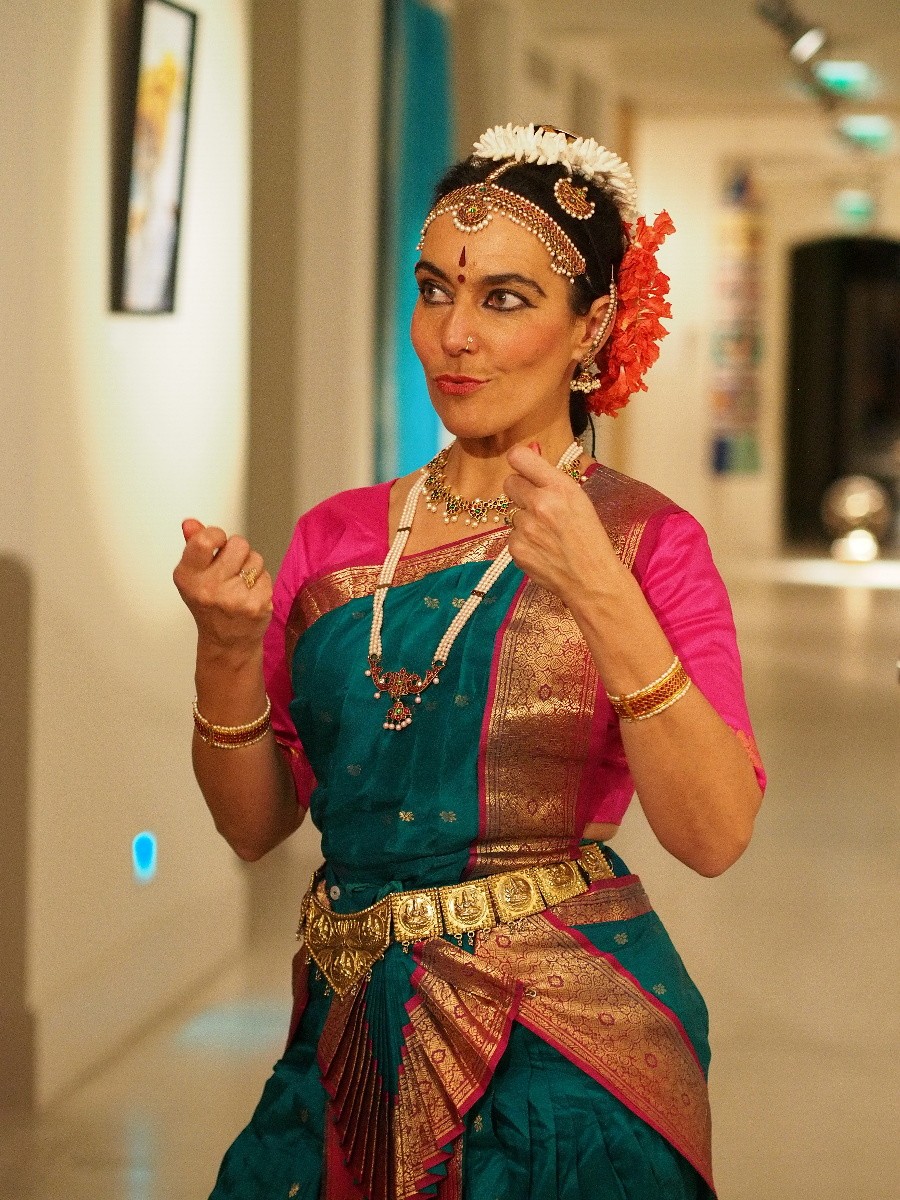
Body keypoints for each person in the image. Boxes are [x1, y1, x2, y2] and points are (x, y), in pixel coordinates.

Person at [174, 123, 765, 1200]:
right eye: (434, 291)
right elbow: (255, 827)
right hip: (345, 1035)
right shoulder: (339, 537)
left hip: (565, 1054)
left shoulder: (648, 542)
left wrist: (600, 590)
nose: (454, 335)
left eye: (504, 299)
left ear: (592, 328)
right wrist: (224, 649)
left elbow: (715, 833)